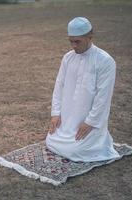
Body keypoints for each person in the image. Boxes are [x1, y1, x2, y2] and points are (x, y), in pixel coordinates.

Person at [45, 17, 120, 162]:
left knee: (75, 150)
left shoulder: (105, 61)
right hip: (67, 120)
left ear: (89, 37)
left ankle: (94, 141)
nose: (73, 45)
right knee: (50, 141)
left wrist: (90, 122)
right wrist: (55, 113)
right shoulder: (67, 58)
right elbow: (59, 87)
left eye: (77, 41)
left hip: (88, 122)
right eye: (70, 41)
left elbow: (103, 97)